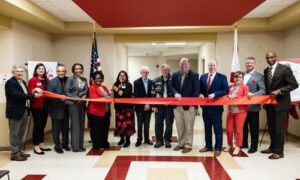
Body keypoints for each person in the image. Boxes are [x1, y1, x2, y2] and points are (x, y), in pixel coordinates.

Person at [261, 51, 298, 159]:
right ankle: (272, 147)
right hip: (270, 104)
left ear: (276, 57)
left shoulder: (284, 69)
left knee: (279, 128)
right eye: (267, 58)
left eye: (271, 57)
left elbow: (294, 84)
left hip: (281, 104)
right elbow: (268, 89)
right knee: (271, 127)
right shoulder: (266, 70)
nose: (269, 59)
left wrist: (279, 91)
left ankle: (279, 152)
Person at [5, 65, 42, 161]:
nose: (20, 73)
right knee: (14, 134)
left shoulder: (23, 82)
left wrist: (32, 91)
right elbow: (17, 95)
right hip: (15, 112)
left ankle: (19, 151)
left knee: (21, 133)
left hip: (25, 110)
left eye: (21, 71)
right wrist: (33, 96)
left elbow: (25, 93)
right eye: (17, 71)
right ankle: (14, 154)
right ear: (13, 72)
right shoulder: (10, 83)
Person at [199, 60, 228, 157]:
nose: (212, 67)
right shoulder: (203, 77)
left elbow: (225, 90)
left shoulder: (222, 77)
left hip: (216, 108)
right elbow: (200, 89)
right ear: (208, 66)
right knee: (207, 128)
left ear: (217, 66)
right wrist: (200, 94)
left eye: (214, 65)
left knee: (217, 129)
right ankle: (208, 146)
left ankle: (218, 148)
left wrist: (215, 94)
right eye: (210, 65)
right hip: (205, 108)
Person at [171, 58, 200, 153]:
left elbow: (196, 90)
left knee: (188, 126)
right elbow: (170, 86)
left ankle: (188, 144)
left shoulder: (194, 75)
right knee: (179, 126)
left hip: (190, 107)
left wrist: (193, 104)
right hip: (177, 106)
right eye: (182, 64)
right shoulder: (175, 74)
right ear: (180, 65)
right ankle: (181, 143)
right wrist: (175, 93)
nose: (184, 65)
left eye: (185, 63)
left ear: (189, 64)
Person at [241, 57, 266, 153]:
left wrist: (254, 94)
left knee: (254, 127)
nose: (249, 64)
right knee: (243, 126)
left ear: (254, 64)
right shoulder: (241, 74)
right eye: (247, 63)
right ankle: (244, 143)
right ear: (245, 64)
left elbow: (263, 90)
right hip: (241, 106)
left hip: (253, 106)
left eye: (251, 63)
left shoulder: (259, 76)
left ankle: (254, 146)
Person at [65, 63, 88, 152]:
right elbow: (66, 92)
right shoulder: (70, 79)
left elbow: (86, 90)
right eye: (76, 69)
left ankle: (80, 145)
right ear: (73, 70)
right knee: (75, 125)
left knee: (81, 125)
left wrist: (85, 96)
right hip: (73, 105)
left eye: (80, 68)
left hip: (82, 104)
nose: (78, 70)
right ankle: (75, 147)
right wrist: (75, 98)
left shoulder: (84, 79)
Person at [28, 63, 51, 155]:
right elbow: (30, 92)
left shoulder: (47, 80)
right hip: (37, 107)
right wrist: (35, 92)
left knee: (42, 126)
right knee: (37, 126)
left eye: (42, 69)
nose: (41, 70)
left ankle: (41, 144)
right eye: (39, 69)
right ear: (36, 70)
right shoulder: (33, 80)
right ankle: (36, 146)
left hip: (45, 106)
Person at [47, 64, 70, 154]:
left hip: (67, 108)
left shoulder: (69, 80)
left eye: (63, 71)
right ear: (56, 72)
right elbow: (49, 96)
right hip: (56, 109)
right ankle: (57, 146)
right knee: (56, 129)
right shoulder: (52, 82)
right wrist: (59, 98)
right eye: (59, 71)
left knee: (65, 128)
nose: (61, 73)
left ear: (65, 71)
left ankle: (65, 144)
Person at [224, 71, 249, 155]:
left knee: (238, 130)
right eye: (236, 77)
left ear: (242, 79)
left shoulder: (245, 87)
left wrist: (236, 97)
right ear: (233, 78)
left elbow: (245, 98)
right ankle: (229, 144)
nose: (238, 79)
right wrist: (227, 96)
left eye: (240, 77)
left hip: (240, 111)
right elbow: (225, 96)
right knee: (229, 129)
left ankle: (238, 146)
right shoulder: (230, 86)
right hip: (231, 111)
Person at [152, 64, 175, 148]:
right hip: (159, 107)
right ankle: (159, 141)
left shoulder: (174, 80)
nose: (164, 72)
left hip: (170, 107)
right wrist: (153, 106)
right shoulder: (155, 81)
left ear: (169, 71)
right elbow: (153, 94)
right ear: (161, 71)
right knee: (158, 123)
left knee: (169, 124)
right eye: (163, 70)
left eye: (166, 70)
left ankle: (167, 140)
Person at [87, 71, 111, 150]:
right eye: (96, 78)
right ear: (94, 79)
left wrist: (111, 96)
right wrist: (106, 98)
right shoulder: (92, 87)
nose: (98, 79)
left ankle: (104, 143)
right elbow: (94, 100)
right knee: (96, 130)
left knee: (105, 129)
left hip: (106, 112)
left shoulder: (104, 87)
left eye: (100, 78)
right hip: (95, 112)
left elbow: (108, 97)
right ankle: (97, 145)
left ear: (102, 79)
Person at [113, 70, 135, 148]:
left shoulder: (129, 85)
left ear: (126, 77)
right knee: (120, 125)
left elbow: (126, 95)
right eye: (120, 76)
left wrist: (118, 90)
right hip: (119, 108)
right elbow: (114, 95)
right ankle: (122, 139)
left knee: (127, 125)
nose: (122, 77)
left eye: (123, 76)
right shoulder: (115, 84)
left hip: (127, 108)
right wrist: (116, 91)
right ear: (118, 77)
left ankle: (128, 140)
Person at [134, 66, 153, 147]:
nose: (145, 74)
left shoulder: (151, 82)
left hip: (149, 107)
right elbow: (137, 95)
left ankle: (147, 139)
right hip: (139, 108)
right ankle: (139, 140)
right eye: (143, 72)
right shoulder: (136, 82)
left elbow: (152, 95)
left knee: (147, 124)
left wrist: (149, 104)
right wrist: (144, 104)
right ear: (140, 73)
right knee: (139, 124)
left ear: (148, 73)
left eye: (146, 72)